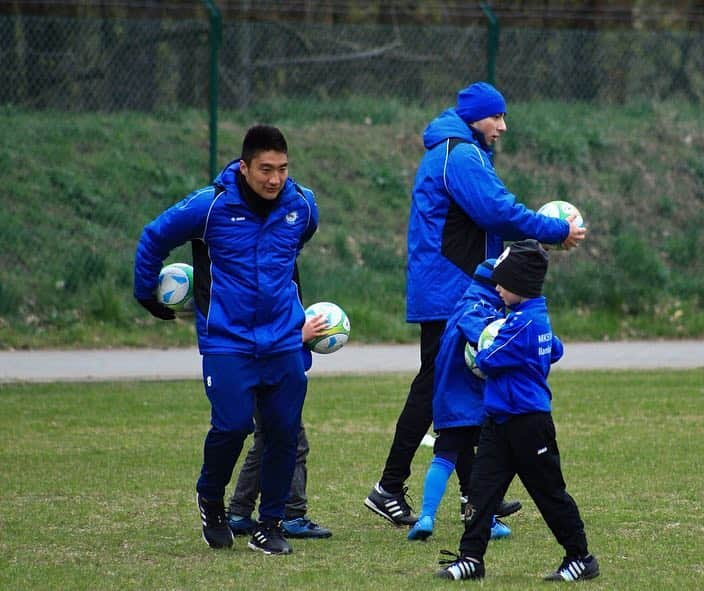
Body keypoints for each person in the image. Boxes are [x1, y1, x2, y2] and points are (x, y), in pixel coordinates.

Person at [365, 81, 586, 526]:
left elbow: (491, 219)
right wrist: (551, 229)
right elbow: (497, 211)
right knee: (435, 386)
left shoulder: (462, 151)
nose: (502, 127)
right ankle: (389, 486)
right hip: (450, 290)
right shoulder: (460, 155)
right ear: (474, 118)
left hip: (454, 286)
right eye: (496, 117)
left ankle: (474, 493)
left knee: (463, 384)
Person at [133, 125, 319, 556]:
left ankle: (269, 524)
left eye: (283, 169)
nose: (275, 179)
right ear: (244, 166)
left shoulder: (303, 206)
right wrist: (146, 292)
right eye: (265, 169)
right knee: (233, 425)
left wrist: (297, 327)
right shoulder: (210, 205)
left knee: (283, 432)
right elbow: (154, 236)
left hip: (283, 341)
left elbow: (291, 256)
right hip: (228, 342)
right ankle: (211, 500)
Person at [436, 240, 599, 582]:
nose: (496, 287)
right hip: (499, 420)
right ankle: (470, 558)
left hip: (528, 423)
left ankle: (580, 557)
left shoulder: (523, 326)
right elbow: (556, 350)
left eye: (502, 282)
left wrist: (483, 336)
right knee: (482, 491)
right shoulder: (530, 318)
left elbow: (488, 359)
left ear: (521, 286)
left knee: (549, 492)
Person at [406, 259, 510, 542]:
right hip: (468, 399)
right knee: (487, 462)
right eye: (504, 285)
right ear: (493, 285)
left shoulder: (465, 302)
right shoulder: (477, 309)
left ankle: (427, 516)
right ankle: (485, 520)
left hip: (448, 399)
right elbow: (481, 334)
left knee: (445, 457)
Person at [227, 312, 332, 540]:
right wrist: (298, 337)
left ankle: (239, 513)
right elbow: (259, 334)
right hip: (266, 373)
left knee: (266, 443)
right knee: (291, 443)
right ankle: (292, 515)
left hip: (272, 372)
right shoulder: (259, 286)